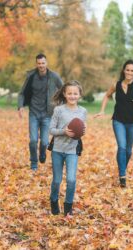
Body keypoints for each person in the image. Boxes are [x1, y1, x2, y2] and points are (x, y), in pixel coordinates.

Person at [95, 59, 133, 188]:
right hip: (118, 120)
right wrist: (102, 110)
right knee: (122, 147)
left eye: (132, 70)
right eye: (127, 69)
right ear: (124, 70)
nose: (129, 72)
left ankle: (122, 167)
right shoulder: (116, 85)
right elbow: (107, 96)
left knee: (128, 151)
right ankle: (122, 175)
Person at [18, 53, 63, 171]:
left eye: (43, 63)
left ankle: (42, 154)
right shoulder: (31, 77)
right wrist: (20, 106)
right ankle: (33, 162)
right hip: (33, 113)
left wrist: (61, 105)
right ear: (36, 64)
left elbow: (63, 90)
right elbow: (22, 93)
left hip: (47, 114)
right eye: (39, 63)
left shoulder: (54, 76)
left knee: (44, 142)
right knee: (33, 140)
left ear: (46, 63)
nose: (41, 65)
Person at [49, 80, 87, 216]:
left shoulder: (83, 111)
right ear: (64, 94)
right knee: (57, 180)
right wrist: (64, 131)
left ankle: (68, 206)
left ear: (80, 95)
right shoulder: (58, 110)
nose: (72, 96)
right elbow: (51, 129)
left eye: (75, 93)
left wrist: (83, 130)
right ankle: (53, 200)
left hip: (72, 151)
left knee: (71, 179)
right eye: (69, 93)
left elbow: (81, 130)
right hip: (58, 150)